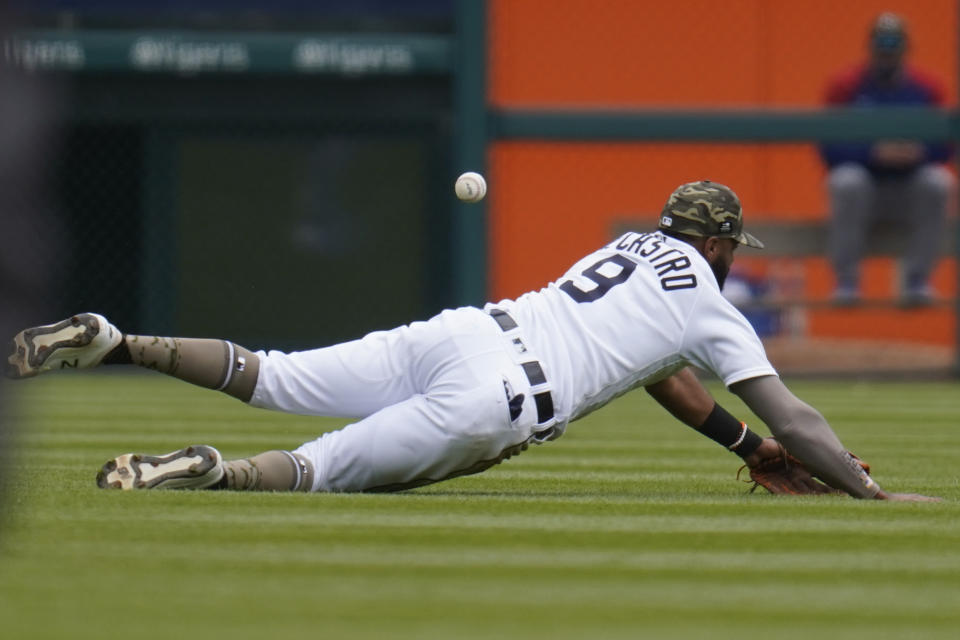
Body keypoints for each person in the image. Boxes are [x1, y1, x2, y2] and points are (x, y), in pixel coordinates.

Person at [5, 181, 936, 501]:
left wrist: (741, 446)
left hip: (461, 330)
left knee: (274, 372)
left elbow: (661, 377)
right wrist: (863, 488)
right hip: (499, 397)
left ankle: (119, 337)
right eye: (735, 245)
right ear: (723, 242)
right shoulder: (709, 304)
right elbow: (796, 412)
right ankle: (210, 471)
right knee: (321, 467)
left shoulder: (623, 247)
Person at [821, 12, 955, 307]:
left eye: (893, 44)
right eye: (882, 43)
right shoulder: (846, 86)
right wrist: (873, 152)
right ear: (871, 46)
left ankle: (916, 281)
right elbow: (828, 147)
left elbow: (946, 146)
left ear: (906, 47)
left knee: (939, 182)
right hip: (863, 190)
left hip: (908, 188)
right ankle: (847, 283)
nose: (887, 51)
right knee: (846, 180)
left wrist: (919, 153)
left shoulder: (926, 88)